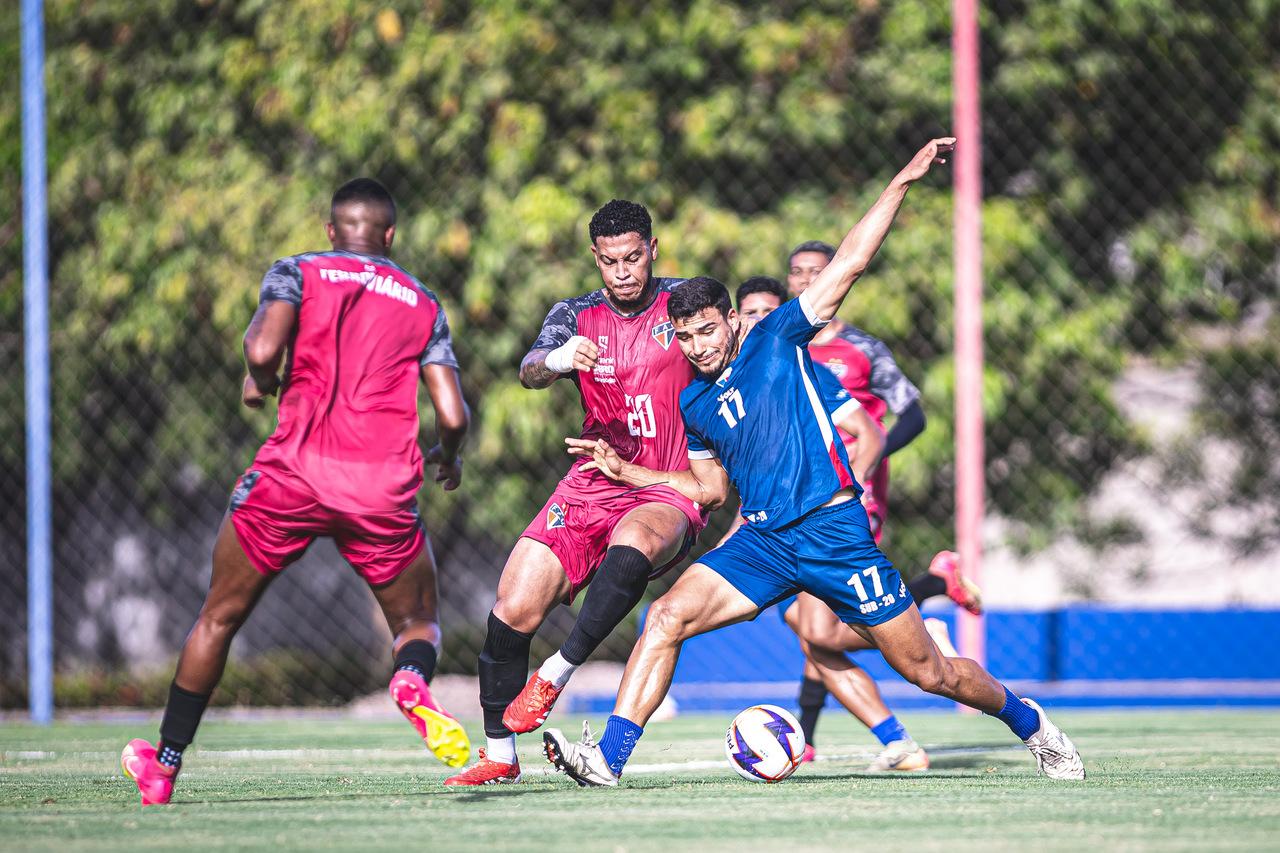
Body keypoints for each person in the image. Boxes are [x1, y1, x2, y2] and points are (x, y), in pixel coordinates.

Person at [543, 138, 1085, 786]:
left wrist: (903, 180)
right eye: (685, 337)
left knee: (930, 672)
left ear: (732, 323)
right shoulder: (694, 400)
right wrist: (633, 475)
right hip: (766, 542)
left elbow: (852, 260)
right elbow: (711, 490)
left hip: (834, 534)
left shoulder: (777, 338)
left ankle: (1031, 723)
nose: (699, 345)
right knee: (665, 616)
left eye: (708, 330)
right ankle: (608, 759)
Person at [120, 179, 472, 806]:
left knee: (219, 616)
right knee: (417, 622)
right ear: (389, 236)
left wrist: (261, 381)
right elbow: (452, 413)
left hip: (291, 477)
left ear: (333, 230)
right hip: (380, 489)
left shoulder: (299, 271)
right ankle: (412, 685)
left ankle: (164, 765)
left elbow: (260, 345)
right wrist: (449, 456)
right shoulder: (422, 302)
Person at [443, 200, 708, 786]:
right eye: (610, 261)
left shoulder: (683, 300)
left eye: (634, 258)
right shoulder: (576, 314)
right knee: (512, 606)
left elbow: (727, 335)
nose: (622, 272)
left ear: (653, 250)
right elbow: (531, 367)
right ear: (595, 258)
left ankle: (556, 674)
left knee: (635, 540)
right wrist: (557, 360)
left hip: (669, 481)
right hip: (594, 477)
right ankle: (500, 755)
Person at [737, 274, 979, 770]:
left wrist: (859, 474)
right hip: (786, 509)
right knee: (810, 628)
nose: (807, 279)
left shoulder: (846, 352)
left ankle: (920, 632)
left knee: (819, 628)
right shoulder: (749, 369)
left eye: (815, 272)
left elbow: (908, 413)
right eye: (751, 312)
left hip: (838, 504)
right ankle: (873, 739)